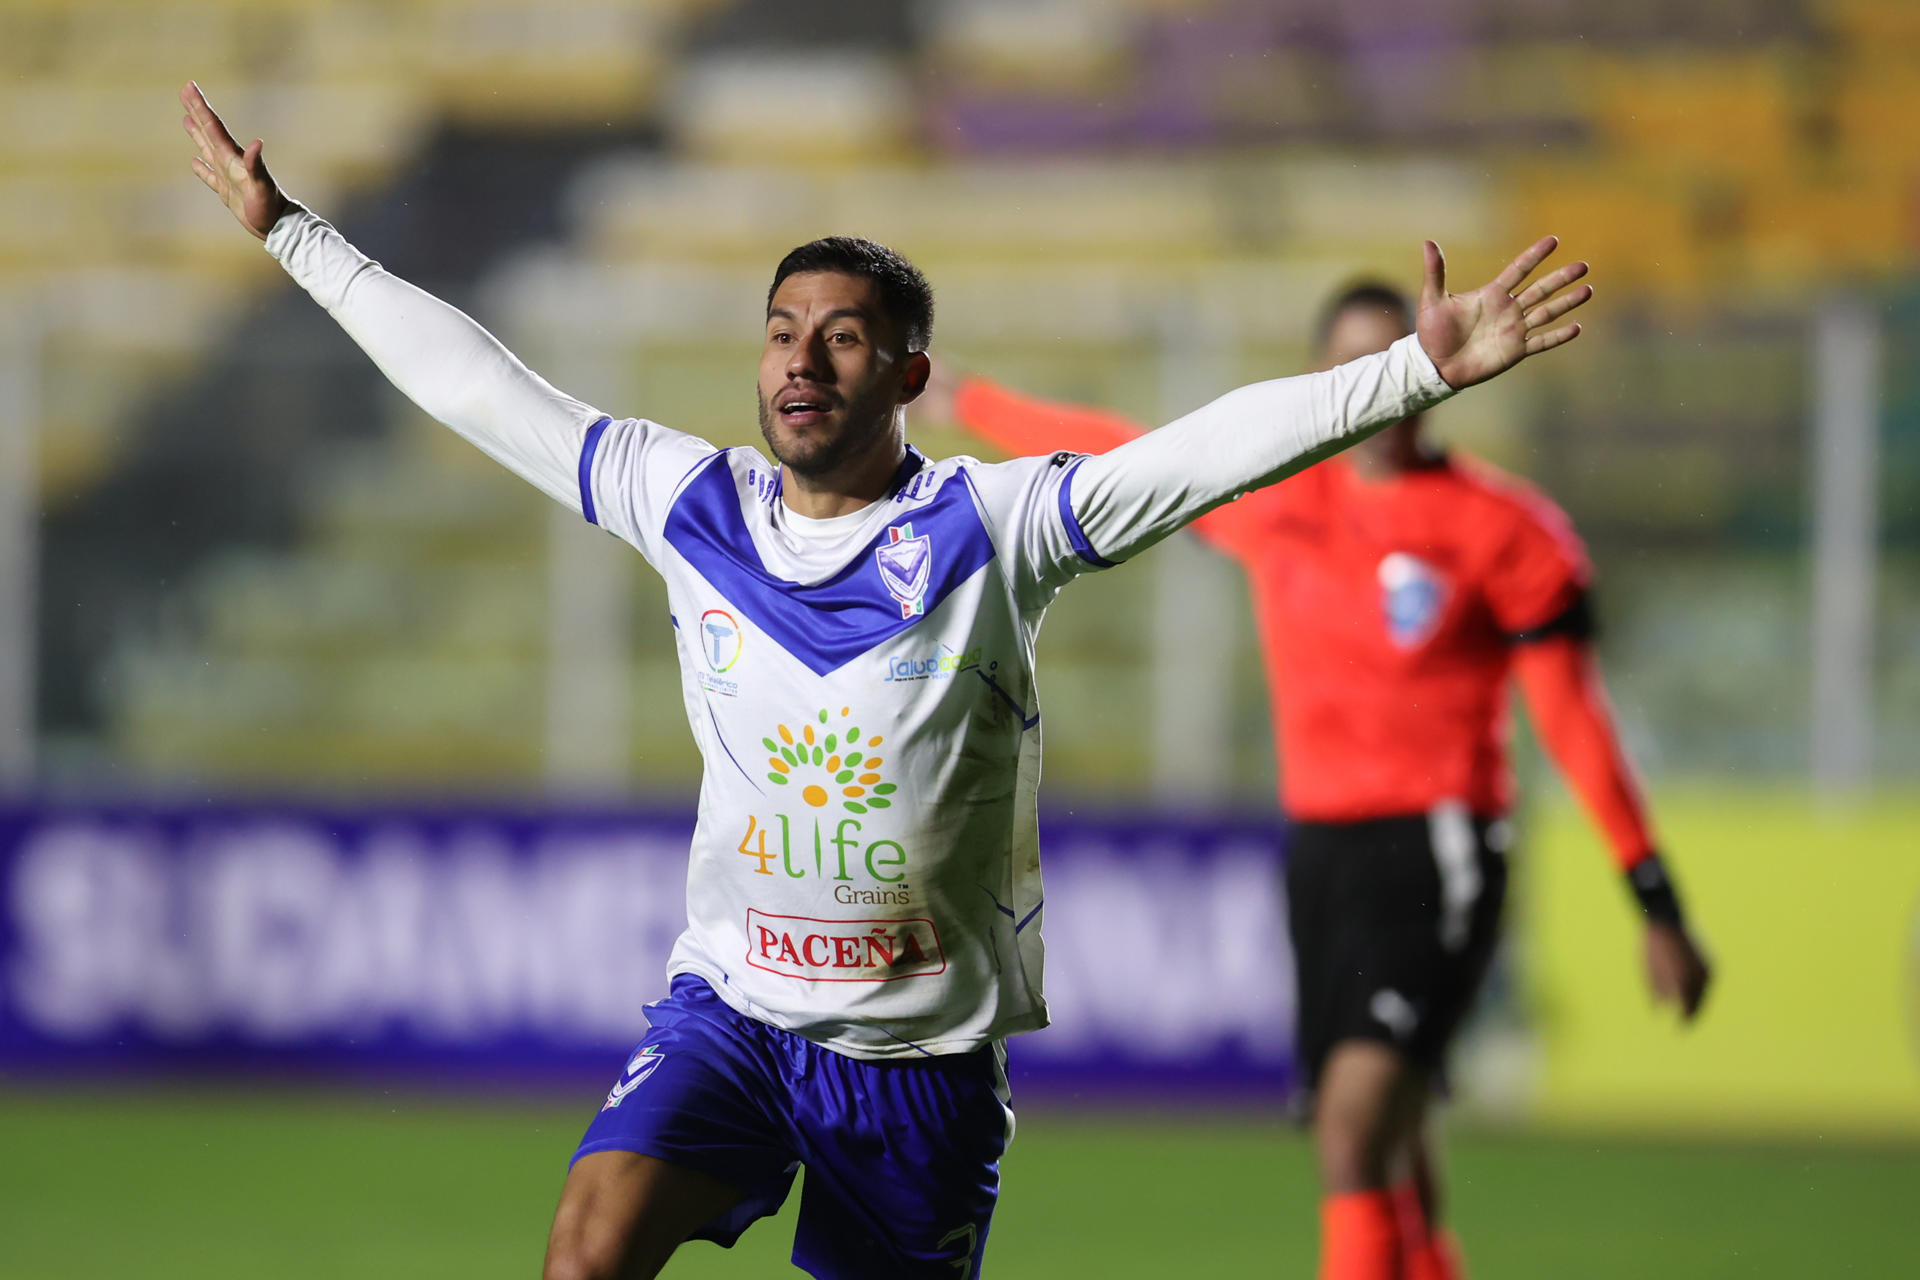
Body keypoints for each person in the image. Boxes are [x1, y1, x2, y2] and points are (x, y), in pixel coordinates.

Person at [179, 79, 1596, 1280]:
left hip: (919, 1065)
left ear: (908, 369)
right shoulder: (695, 505)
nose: (801, 361)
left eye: (842, 335)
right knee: (587, 1245)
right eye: (783, 329)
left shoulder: (994, 529)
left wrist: (1409, 371)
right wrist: (297, 238)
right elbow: (490, 393)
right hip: (732, 1012)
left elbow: (1197, 454)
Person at [920, 281, 1712, 1280]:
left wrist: (1653, 892)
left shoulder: (1504, 530)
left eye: (1396, 358)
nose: (1380, 385)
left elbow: (1570, 714)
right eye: (1352, 365)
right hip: (1323, 851)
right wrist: (974, 403)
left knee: (1352, 1127)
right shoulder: (1281, 500)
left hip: (1438, 844)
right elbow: (1119, 449)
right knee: (1392, 1152)